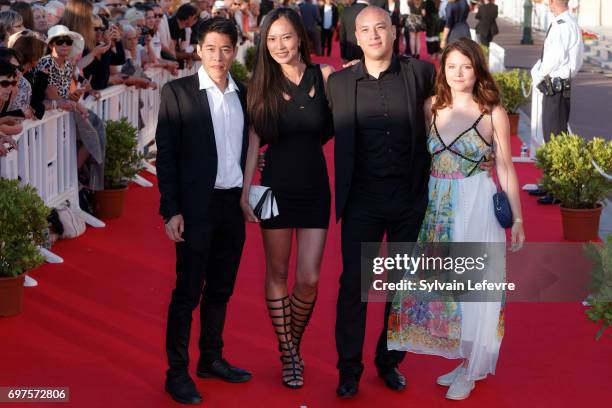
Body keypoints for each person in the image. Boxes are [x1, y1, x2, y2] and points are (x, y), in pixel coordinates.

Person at [388, 37, 525, 400]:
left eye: (466, 66)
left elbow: (507, 168)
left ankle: (474, 366)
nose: (459, 73)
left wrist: (519, 220)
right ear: (442, 69)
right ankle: (467, 359)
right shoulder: (430, 106)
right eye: (452, 66)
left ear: (477, 68)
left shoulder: (490, 109)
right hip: (436, 207)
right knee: (449, 290)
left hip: (476, 206)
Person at [326, 5, 436, 398]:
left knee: (402, 285)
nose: (373, 36)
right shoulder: (338, 84)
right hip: (362, 200)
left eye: (380, 28)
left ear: (393, 32)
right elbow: (312, 128)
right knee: (354, 284)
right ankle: (349, 368)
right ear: (355, 37)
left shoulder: (421, 73)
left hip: (409, 198)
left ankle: (389, 360)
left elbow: (447, 114)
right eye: (365, 30)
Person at [156, 17, 252, 405]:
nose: (218, 56)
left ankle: (211, 359)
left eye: (226, 48)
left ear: (235, 50)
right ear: (197, 49)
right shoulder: (177, 92)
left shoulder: (243, 93)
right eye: (211, 48)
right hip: (196, 207)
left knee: (222, 289)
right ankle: (176, 372)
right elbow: (168, 156)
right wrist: (171, 210)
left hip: (232, 205)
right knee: (187, 292)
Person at [242, 7, 334, 389]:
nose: (280, 45)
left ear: (300, 37)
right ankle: (289, 353)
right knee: (277, 272)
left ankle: (290, 343)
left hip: (315, 185)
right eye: (272, 39)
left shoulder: (324, 77)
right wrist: (245, 191)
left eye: (286, 37)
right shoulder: (259, 84)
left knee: (309, 278)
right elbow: (253, 144)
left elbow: (341, 126)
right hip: (273, 187)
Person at [531, 0, 583, 143]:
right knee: (556, 132)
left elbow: (554, 57)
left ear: (552, 2)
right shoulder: (570, 22)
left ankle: (554, 166)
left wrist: (538, 74)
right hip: (560, 85)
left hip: (555, 87)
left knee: (553, 136)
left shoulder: (562, 25)